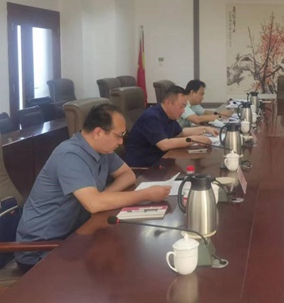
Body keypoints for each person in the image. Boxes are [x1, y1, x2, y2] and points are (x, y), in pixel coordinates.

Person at [15, 104, 171, 271]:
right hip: (40, 250)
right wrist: (145, 194)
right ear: (98, 132)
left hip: (75, 235)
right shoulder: (70, 155)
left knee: (134, 256)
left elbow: (127, 175)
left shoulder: (102, 151)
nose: (121, 142)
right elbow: (94, 204)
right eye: (118, 136)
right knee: (126, 266)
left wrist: (104, 196)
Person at [124, 86, 218, 167]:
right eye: (181, 106)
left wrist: (204, 129)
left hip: (161, 160)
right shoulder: (151, 117)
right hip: (144, 167)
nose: (183, 111)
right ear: (168, 103)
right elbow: (164, 144)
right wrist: (194, 139)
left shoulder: (169, 115)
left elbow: (181, 133)